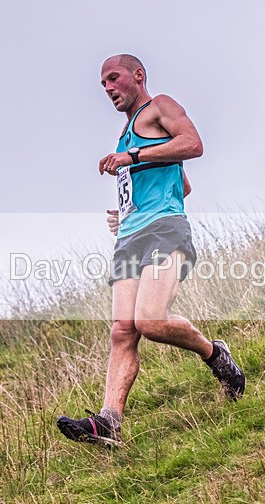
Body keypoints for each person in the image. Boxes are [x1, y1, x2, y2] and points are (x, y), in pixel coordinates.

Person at [56, 54, 245, 447]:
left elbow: (192, 144)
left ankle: (216, 355)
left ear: (137, 76)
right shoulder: (125, 133)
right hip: (131, 236)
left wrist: (134, 158)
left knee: (151, 321)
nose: (107, 88)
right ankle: (108, 421)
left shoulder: (160, 107)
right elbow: (182, 184)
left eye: (113, 78)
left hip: (164, 231)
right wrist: (125, 213)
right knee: (122, 330)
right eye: (102, 84)